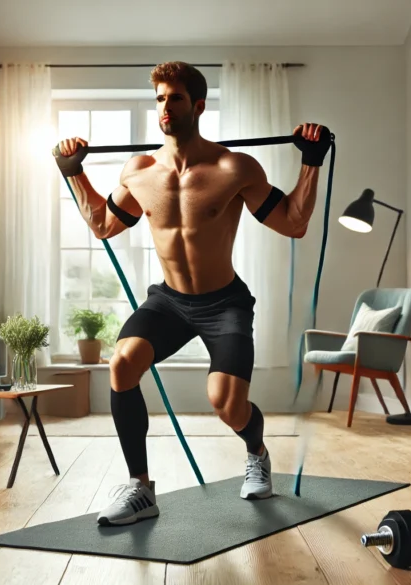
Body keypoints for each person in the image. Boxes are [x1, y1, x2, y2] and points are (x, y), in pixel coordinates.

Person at [53, 61, 330, 527]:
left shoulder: (233, 167)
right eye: (160, 98)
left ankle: (257, 453)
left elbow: (294, 223)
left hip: (225, 303)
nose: (165, 106)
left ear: (198, 105)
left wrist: (311, 161)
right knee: (121, 363)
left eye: (175, 97)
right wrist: (72, 172)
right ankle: (140, 488)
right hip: (169, 302)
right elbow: (103, 225)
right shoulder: (139, 171)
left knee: (226, 403)